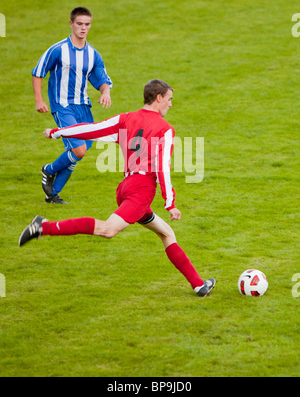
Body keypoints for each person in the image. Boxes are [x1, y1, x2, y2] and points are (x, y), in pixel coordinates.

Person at [19, 79, 216, 297]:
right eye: (169, 99)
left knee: (167, 233)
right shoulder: (165, 129)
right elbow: (162, 168)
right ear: (158, 98)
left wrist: (57, 132)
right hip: (141, 191)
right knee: (108, 230)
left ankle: (198, 285)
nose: (171, 104)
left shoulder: (126, 119)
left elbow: (92, 129)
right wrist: (170, 203)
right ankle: (43, 227)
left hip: (125, 188)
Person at [32, 6, 112, 204]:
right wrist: (39, 100)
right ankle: (48, 170)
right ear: (71, 24)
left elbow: (101, 78)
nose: (83, 28)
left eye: (87, 24)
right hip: (63, 106)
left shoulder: (93, 54)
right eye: (79, 24)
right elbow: (38, 72)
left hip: (83, 107)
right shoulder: (58, 49)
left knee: (80, 151)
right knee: (79, 150)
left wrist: (106, 92)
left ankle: (52, 194)